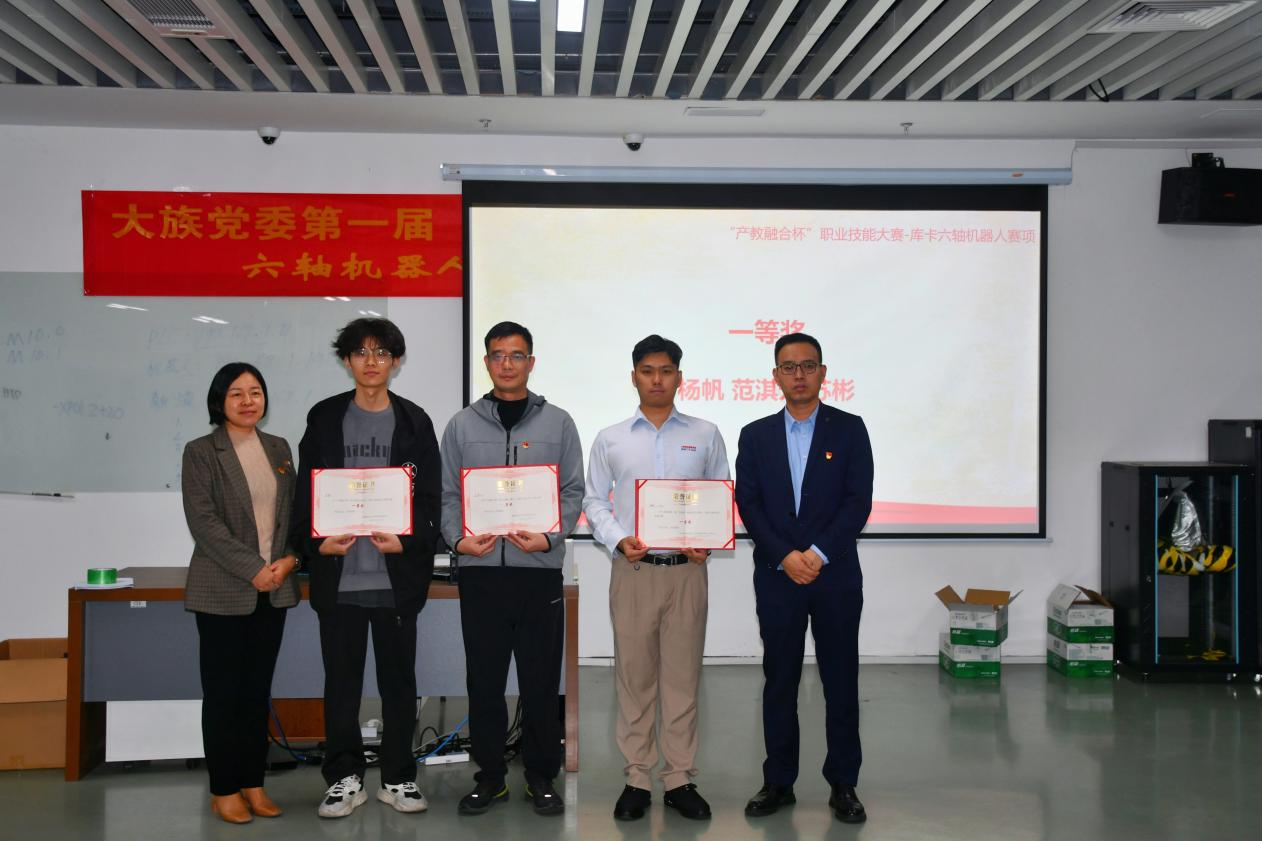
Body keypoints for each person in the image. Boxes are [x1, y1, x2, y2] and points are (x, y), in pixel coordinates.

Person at [290, 318, 441, 819]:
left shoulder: (415, 421)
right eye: (360, 352)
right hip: (340, 578)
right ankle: (345, 778)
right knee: (341, 685)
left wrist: (408, 541)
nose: (371, 361)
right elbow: (307, 494)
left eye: (381, 353)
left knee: (399, 685)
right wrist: (317, 544)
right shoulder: (324, 418)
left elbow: (430, 498)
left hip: (394, 579)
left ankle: (397, 777)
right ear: (347, 360)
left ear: (395, 361)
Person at [440, 321, 584, 817]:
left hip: (538, 570)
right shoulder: (462, 425)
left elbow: (572, 491)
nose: (507, 364)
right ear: (486, 362)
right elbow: (448, 494)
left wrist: (549, 536)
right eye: (498, 355)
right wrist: (459, 539)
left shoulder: (559, 423)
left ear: (531, 362)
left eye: (516, 355)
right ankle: (490, 777)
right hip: (481, 571)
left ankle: (541, 776)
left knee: (540, 681)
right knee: (484, 681)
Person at [583, 335, 729, 822]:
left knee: (683, 680)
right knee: (635, 678)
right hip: (634, 570)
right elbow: (594, 501)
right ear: (634, 377)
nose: (657, 379)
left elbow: (720, 496)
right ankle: (637, 778)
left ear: (679, 377)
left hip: (687, 572)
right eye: (647, 371)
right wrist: (618, 539)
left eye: (666, 371)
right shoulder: (611, 438)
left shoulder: (706, 434)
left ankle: (680, 778)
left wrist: (708, 540)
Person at [734, 332, 874, 824]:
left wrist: (815, 553)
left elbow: (858, 502)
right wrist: (785, 556)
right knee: (780, 681)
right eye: (789, 367)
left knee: (841, 681)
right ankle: (778, 781)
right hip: (778, 577)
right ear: (775, 376)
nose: (799, 375)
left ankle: (843, 783)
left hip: (835, 576)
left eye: (808, 365)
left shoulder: (850, 429)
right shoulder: (755, 435)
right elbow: (749, 504)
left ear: (822, 372)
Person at [182, 362, 300, 825]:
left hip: (274, 590)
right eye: (236, 393)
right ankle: (224, 788)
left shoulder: (278, 448)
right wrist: (254, 570)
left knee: (256, 693)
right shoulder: (201, 452)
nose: (248, 401)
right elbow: (204, 523)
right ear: (219, 401)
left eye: (255, 392)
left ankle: (253, 783)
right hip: (223, 590)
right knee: (223, 694)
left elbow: (292, 515)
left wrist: (290, 560)